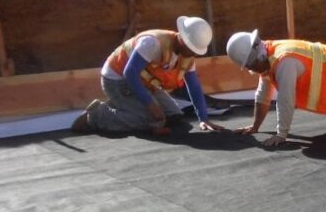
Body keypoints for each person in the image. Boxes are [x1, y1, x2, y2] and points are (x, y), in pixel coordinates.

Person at [72, 16, 220, 135]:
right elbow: (130, 73)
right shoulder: (152, 43)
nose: (194, 53)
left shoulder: (186, 54)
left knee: (173, 115)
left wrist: (203, 118)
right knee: (148, 119)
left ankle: (126, 104)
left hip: (144, 82)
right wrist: (150, 104)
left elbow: (193, 85)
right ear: (183, 40)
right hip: (117, 79)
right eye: (192, 48)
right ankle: (97, 115)